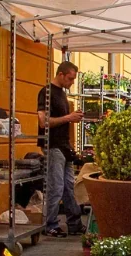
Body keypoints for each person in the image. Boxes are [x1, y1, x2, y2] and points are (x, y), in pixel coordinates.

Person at [36, 61, 84, 238]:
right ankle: (50, 225)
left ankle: (74, 223)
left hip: (64, 146)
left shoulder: (62, 94)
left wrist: (71, 118)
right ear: (61, 74)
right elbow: (43, 122)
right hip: (53, 145)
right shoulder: (46, 92)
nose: (72, 82)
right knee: (56, 187)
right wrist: (68, 117)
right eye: (70, 79)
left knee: (69, 187)